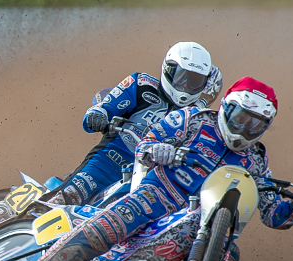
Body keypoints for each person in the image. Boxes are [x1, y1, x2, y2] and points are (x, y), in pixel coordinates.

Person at [8, 77, 293, 261]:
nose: (246, 129)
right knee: (118, 219)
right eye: (241, 119)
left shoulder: (256, 159)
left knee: (231, 254)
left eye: (256, 124)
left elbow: (269, 211)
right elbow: (145, 146)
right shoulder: (191, 120)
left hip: (195, 218)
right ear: (226, 107)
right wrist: (161, 149)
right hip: (156, 193)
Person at [49, 42, 223, 206]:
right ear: (168, 70)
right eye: (181, 77)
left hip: (152, 179)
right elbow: (103, 108)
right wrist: (97, 115)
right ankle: (30, 218)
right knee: (67, 197)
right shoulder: (140, 85)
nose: (185, 85)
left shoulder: (196, 118)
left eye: (194, 81)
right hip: (109, 161)